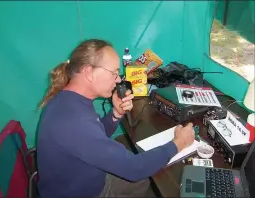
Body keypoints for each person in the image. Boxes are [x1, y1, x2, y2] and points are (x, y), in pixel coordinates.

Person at [36, 39, 195, 197]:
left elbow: (94, 136)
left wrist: (115, 114)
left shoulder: (70, 100)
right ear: (88, 72)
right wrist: (179, 143)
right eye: (114, 72)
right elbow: (134, 168)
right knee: (145, 176)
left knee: (144, 180)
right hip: (85, 192)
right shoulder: (75, 121)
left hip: (83, 177)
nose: (118, 79)